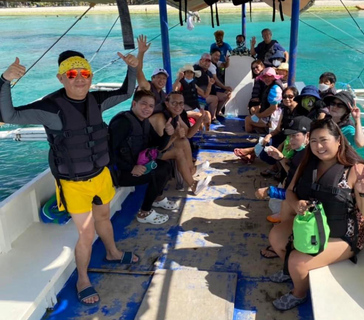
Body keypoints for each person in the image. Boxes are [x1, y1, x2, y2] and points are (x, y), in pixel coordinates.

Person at [0, 50, 139, 306]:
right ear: (61, 77)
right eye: (71, 74)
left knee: (104, 218)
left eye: (84, 73)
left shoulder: (97, 100)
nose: (79, 79)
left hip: (101, 176)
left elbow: (126, 92)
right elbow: (8, 116)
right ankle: (83, 279)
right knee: (85, 235)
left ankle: (112, 252)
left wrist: (132, 68)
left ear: (90, 76)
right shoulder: (50, 108)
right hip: (74, 185)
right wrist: (4, 81)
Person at [267, 116, 364, 310]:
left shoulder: (355, 170)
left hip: (344, 236)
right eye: (313, 141)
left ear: (338, 141)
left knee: (297, 261)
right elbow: (290, 191)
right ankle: (290, 272)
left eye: (324, 140)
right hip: (314, 228)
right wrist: (297, 205)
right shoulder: (308, 163)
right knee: (276, 236)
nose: (318, 146)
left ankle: (299, 293)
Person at [109, 90, 173, 225]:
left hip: (136, 165)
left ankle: (157, 198)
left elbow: (158, 145)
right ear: (134, 104)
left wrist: (167, 133)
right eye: (144, 104)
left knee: (166, 166)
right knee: (159, 172)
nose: (148, 108)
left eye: (151, 106)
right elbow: (108, 152)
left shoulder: (144, 122)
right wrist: (131, 168)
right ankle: (144, 213)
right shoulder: (123, 123)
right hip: (119, 172)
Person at [150, 91, 212, 195]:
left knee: (183, 140)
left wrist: (200, 119)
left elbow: (188, 134)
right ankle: (193, 184)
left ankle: (191, 170)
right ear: (167, 104)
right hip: (149, 153)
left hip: (158, 148)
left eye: (181, 103)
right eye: (174, 103)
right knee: (178, 152)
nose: (178, 106)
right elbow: (161, 148)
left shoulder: (175, 115)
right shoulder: (160, 118)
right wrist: (174, 136)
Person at [173, 64, 213, 131]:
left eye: (191, 72)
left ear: (193, 75)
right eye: (187, 72)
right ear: (184, 74)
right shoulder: (180, 84)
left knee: (208, 114)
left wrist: (210, 84)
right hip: (184, 111)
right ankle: (200, 135)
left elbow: (205, 95)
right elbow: (173, 91)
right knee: (200, 116)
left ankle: (206, 132)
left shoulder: (194, 85)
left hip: (194, 108)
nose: (189, 74)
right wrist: (178, 79)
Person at [136, 35, 169, 113]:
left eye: (164, 78)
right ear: (152, 78)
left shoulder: (163, 95)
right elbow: (138, 71)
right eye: (159, 77)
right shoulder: (147, 87)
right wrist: (141, 52)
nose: (161, 80)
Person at [244, 68, 283, 133]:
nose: (267, 79)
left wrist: (259, 115)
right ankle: (261, 131)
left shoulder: (274, 89)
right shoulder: (270, 86)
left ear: (273, 77)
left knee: (247, 120)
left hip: (273, 119)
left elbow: (273, 108)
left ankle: (252, 136)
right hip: (270, 116)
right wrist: (258, 109)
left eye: (269, 76)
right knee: (253, 112)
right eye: (265, 77)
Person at [194, 53, 221, 125]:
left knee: (223, 96)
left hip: (205, 94)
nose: (207, 63)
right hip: (196, 96)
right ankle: (213, 117)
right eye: (205, 60)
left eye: (209, 61)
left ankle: (217, 113)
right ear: (200, 61)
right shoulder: (195, 70)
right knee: (214, 98)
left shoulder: (209, 73)